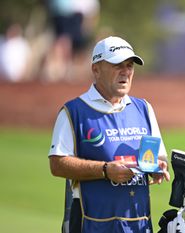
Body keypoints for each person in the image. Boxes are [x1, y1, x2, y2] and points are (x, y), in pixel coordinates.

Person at [48, 36, 170, 233]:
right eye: (117, 65)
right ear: (96, 69)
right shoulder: (74, 111)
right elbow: (57, 164)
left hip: (138, 224)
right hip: (91, 223)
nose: (126, 72)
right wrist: (105, 170)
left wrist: (158, 167)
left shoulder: (144, 108)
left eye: (129, 65)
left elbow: (157, 157)